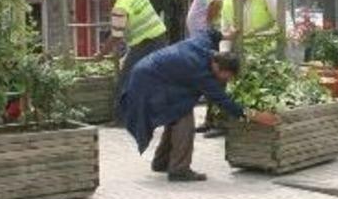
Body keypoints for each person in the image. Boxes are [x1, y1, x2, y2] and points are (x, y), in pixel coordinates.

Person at [118, 31, 278, 181]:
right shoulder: (201, 74)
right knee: (184, 119)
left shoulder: (204, 46)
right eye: (227, 77)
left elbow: (210, 33)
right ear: (219, 68)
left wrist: (226, 34)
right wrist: (257, 116)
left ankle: (162, 162)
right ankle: (179, 170)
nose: (227, 82)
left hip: (146, 71)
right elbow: (226, 103)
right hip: (148, 83)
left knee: (174, 113)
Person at [96, 0, 167, 83]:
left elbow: (116, 36)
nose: (102, 5)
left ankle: (122, 98)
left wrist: (101, 54)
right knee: (153, 75)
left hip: (145, 43)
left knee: (127, 78)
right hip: (160, 36)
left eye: (103, 0)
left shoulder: (120, 8)